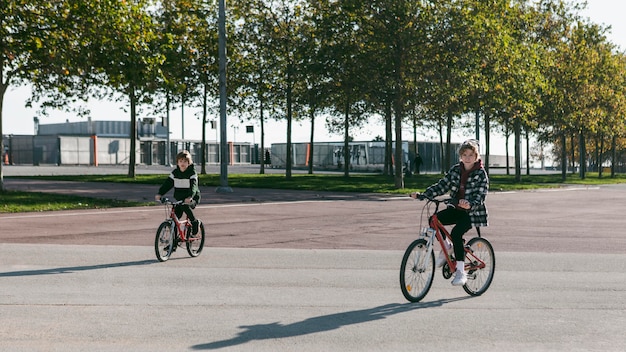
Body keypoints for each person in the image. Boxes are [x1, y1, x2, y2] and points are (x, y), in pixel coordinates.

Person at [410, 139, 488, 286]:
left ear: (476, 156)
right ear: (460, 156)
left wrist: (470, 204)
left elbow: (481, 195)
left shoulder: (480, 174)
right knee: (434, 219)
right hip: (455, 208)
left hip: (471, 213)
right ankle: (447, 248)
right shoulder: (455, 170)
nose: (467, 158)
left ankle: (460, 272)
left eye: (471, 155)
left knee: (456, 234)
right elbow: (442, 185)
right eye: (464, 154)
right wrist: (424, 195)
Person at [155, 150, 201, 241]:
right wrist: (160, 193)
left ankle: (194, 222)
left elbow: (193, 186)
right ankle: (173, 243)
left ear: (189, 162)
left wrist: (190, 196)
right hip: (179, 198)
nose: (182, 163)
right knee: (175, 220)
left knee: (185, 206)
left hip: (191, 197)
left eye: (185, 161)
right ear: (177, 163)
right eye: (180, 161)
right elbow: (167, 184)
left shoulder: (192, 173)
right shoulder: (175, 173)